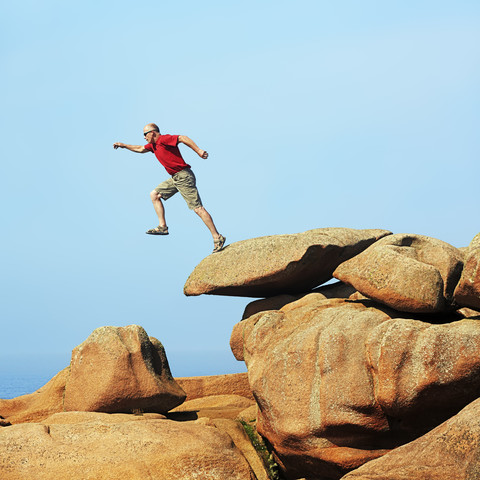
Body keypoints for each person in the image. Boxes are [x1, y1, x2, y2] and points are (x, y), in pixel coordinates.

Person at [114, 123, 226, 253]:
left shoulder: (163, 139)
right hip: (175, 178)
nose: (144, 137)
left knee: (198, 209)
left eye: (145, 134)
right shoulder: (153, 146)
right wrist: (124, 146)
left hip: (184, 176)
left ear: (153, 133)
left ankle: (217, 237)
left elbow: (183, 138)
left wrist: (198, 150)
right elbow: (139, 148)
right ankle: (163, 227)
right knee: (154, 195)